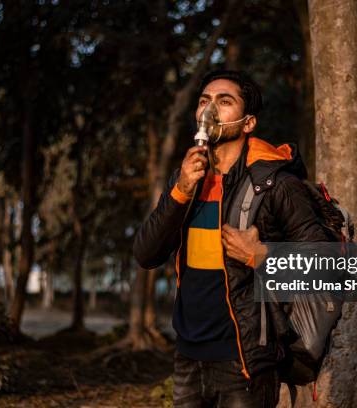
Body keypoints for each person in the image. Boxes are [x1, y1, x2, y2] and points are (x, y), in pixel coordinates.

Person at [133, 70, 330, 408]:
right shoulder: (187, 179)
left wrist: (263, 255)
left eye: (225, 102)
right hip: (187, 358)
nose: (210, 110)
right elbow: (146, 253)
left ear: (248, 122)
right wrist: (180, 190)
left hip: (247, 361)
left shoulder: (275, 184)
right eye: (204, 101)